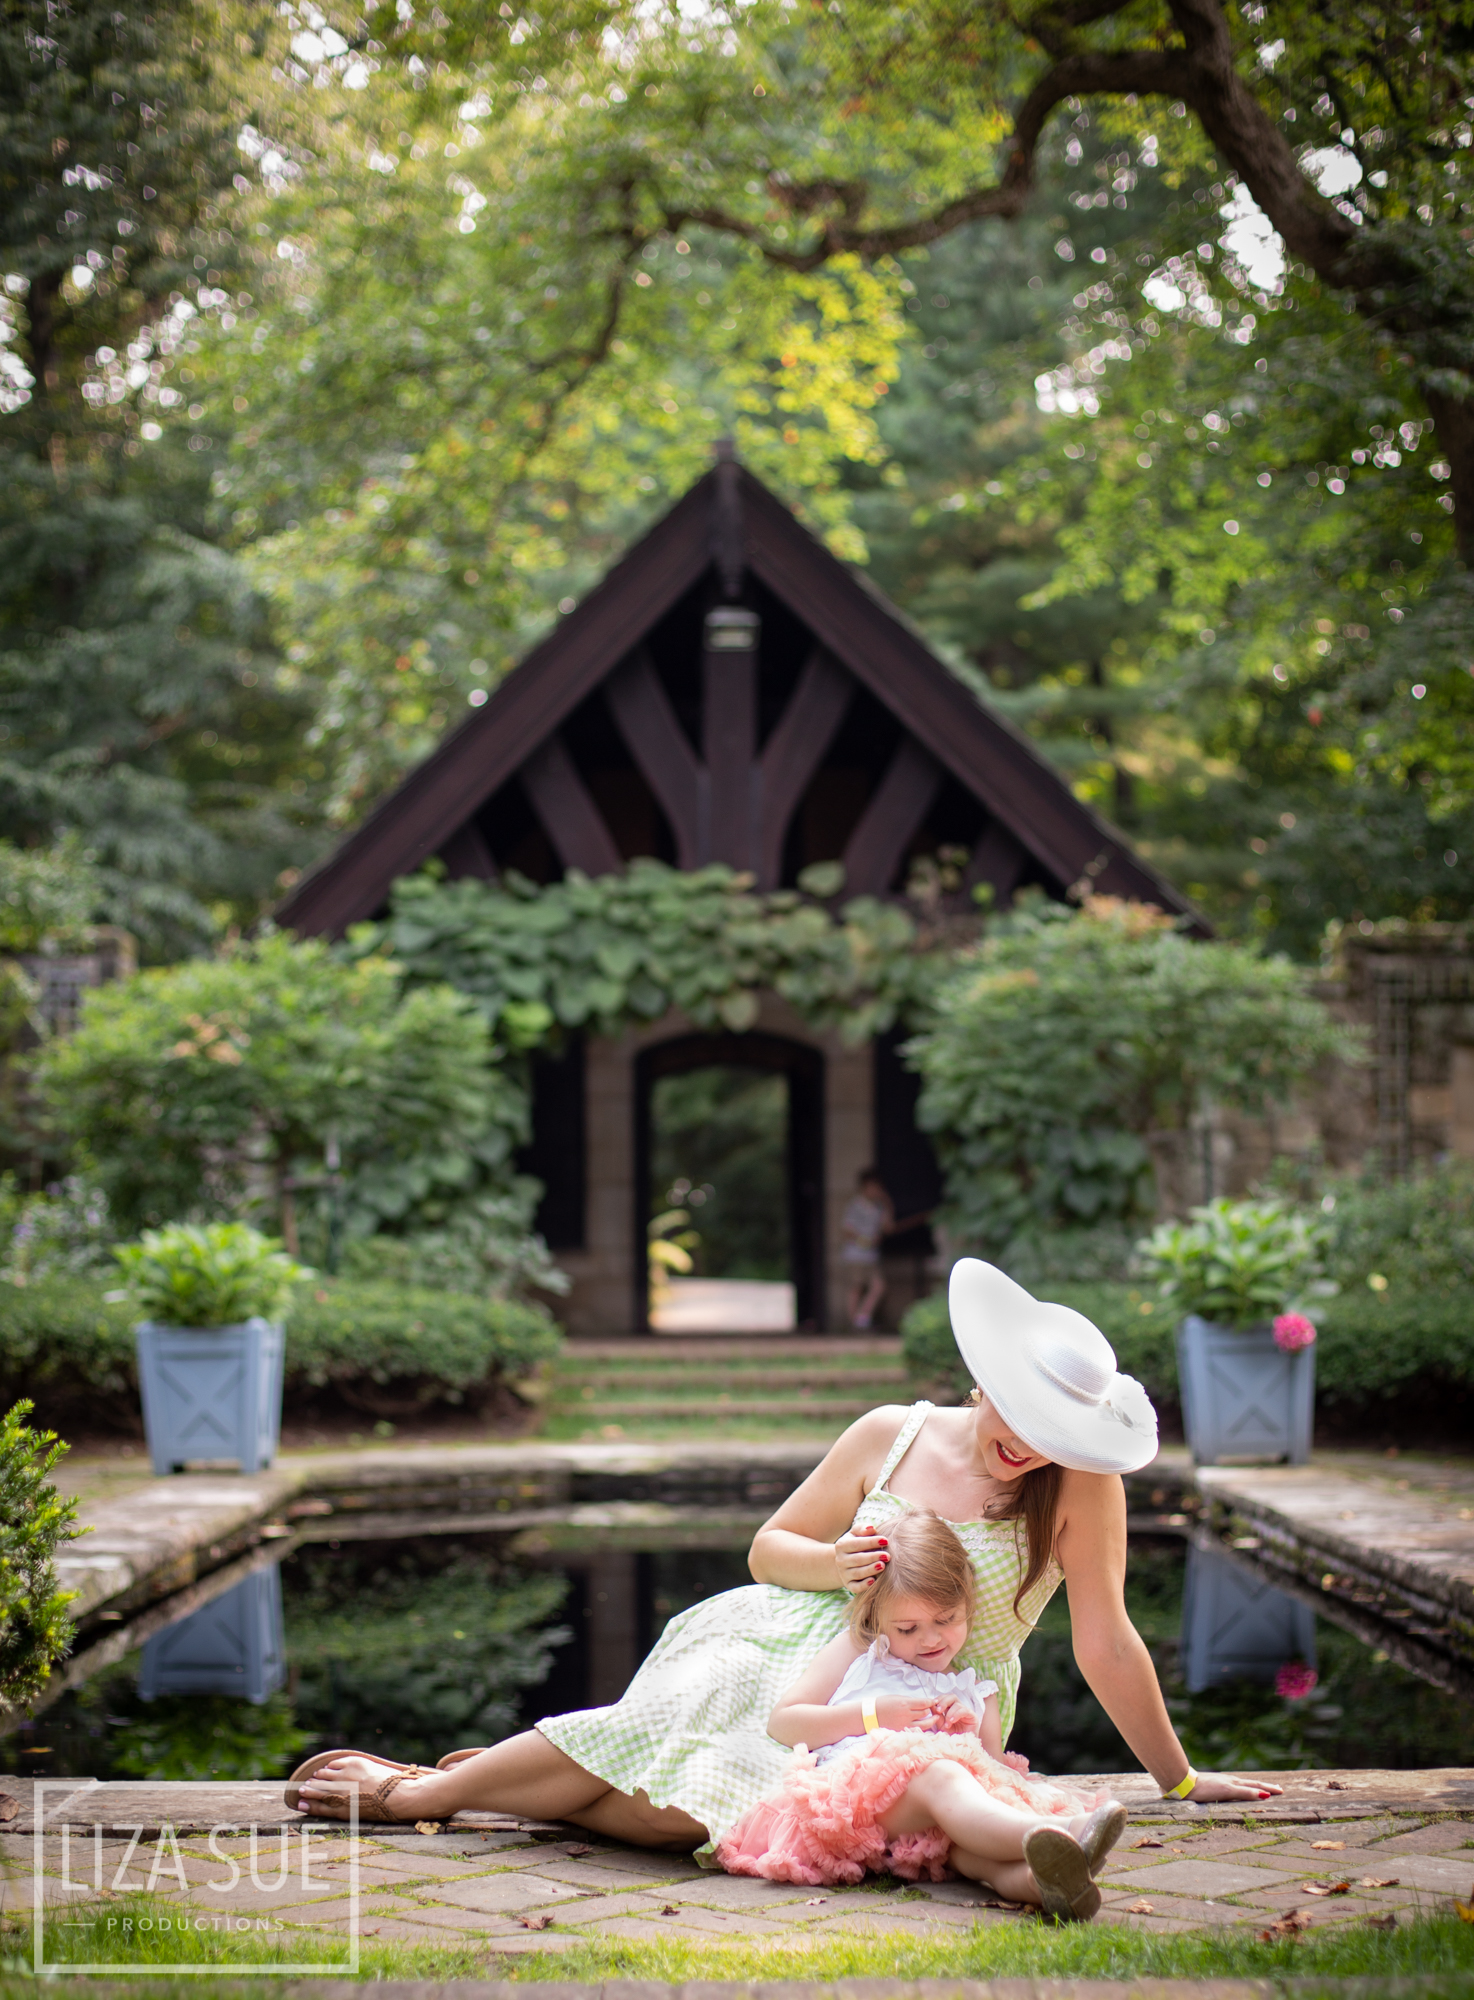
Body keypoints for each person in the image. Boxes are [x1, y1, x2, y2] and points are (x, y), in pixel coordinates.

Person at [285, 1257, 1282, 1845]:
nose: (1025, 1444)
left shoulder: (1080, 1489)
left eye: (1051, 1434)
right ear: (980, 1381)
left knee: (691, 1816)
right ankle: (427, 1792)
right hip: (797, 1638)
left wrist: (1181, 1779)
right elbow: (771, 1547)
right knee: (682, 1718)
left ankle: (503, 1780)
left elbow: (1105, 1640)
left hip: (934, 1691)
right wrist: (841, 1561)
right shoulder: (888, 1430)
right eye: (1015, 1415)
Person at [715, 1508, 1127, 1920]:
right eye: (908, 1629)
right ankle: (1066, 1834)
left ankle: (1049, 1885)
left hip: (939, 1824)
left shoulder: (975, 1691)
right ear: (876, 1617)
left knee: (970, 1855)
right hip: (864, 1803)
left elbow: (992, 1771)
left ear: (968, 1604)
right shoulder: (863, 1652)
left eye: (946, 1620)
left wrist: (966, 1725)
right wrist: (874, 1715)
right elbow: (784, 1722)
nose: (930, 1639)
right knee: (941, 1774)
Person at [840, 1168, 893, 1329]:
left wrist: (887, 1203)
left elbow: (888, 1228)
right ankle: (854, 1323)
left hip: (871, 1256)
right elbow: (846, 1229)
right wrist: (864, 1240)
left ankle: (862, 1318)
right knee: (856, 1287)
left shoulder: (878, 1207)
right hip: (855, 1255)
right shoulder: (856, 1205)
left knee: (878, 1286)